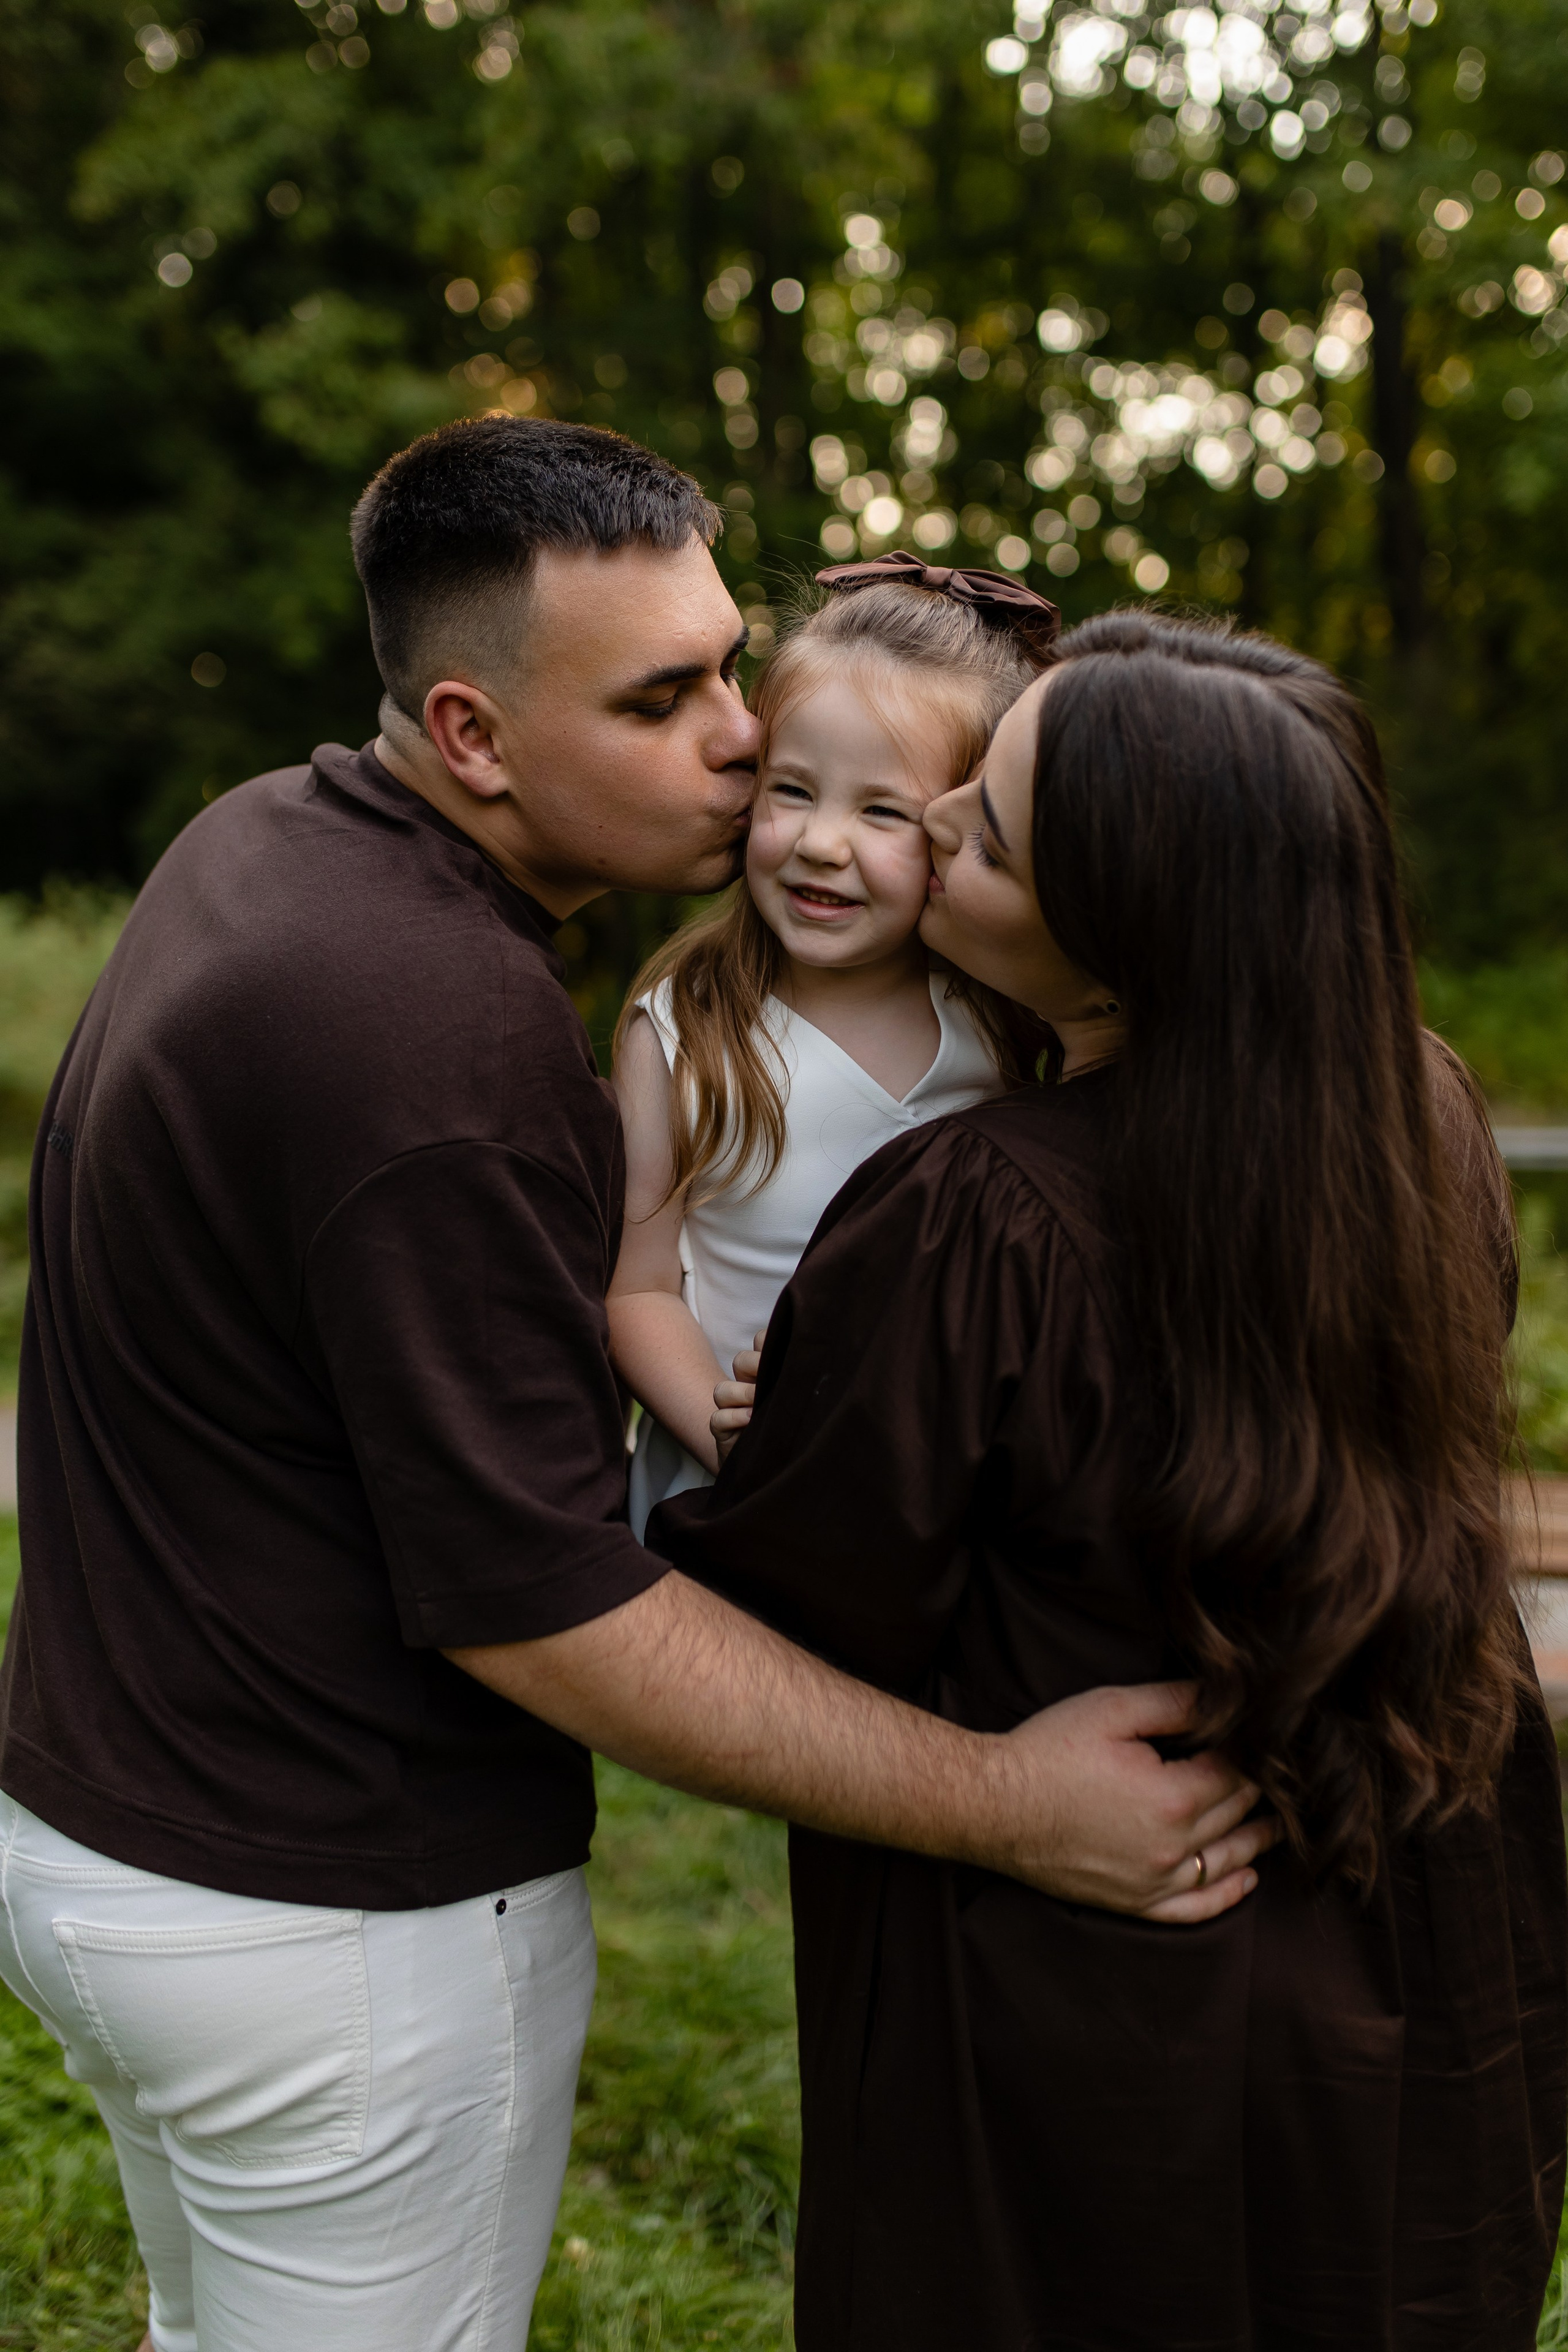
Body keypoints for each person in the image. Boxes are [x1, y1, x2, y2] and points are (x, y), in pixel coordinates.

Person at [0, 423, 1270, 2352]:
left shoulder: (267, 838)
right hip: (330, 1923)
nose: (745, 743)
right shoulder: (442, 1034)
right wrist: (1010, 1803)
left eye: (731, 667)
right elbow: (539, 1606)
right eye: (662, 700)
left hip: (112, 1831)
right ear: (473, 732)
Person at [652, 606, 1568, 2350]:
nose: (932, 827)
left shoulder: (970, 1218)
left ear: (1122, 943)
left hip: (1083, 1982)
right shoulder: (1422, 1123)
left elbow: (787, 1614)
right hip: (1415, 1920)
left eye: (986, 832)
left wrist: (766, 1428)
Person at [609, 558, 1056, 1536]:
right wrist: (737, 1442)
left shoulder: (1006, 1020)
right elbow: (639, 1291)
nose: (821, 842)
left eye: (882, 811)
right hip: (727, 1513)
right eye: (794, 791)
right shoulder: (689, 1029)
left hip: (934, 1506)